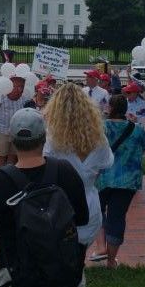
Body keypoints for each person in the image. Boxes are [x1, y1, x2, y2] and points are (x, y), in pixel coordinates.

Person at [0, 107, 89, 287]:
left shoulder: (0, 181)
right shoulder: (64, 171)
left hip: (17, 282)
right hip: (65, 276)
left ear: (13, 142)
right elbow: (82, 218)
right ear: (44, 139)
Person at [43, 82, 113, 247]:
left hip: (59, 206)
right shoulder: (99, 139)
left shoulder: (52, 140)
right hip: (90, 206)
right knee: (78, 258)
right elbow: (106, 164)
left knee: (61, 259)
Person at [93, 95, 145, 269]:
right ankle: (111, 261)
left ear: (110, 108)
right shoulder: (137, 129)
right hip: (127, 180)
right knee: (117, 217)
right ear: (126, 109)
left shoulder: (100, 127)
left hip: (102, 177)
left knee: (98, 211)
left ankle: (100, 246)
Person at [0, 76, 26, 167]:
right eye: (15, 86)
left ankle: (9, 176)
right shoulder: (2, 96)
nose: (18, 89)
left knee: (13, 156)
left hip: (16, 132)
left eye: (21, 86)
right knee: (1, 155)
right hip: (3, 131)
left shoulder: (23, 98)